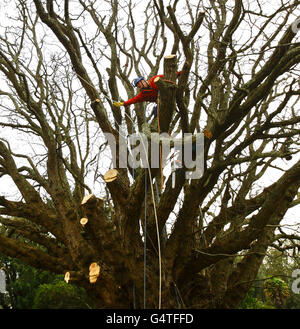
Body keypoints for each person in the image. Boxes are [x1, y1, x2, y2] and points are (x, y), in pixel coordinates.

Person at [113, 72, 181, 117]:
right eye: (138, 86)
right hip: (161, 102)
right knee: (156, 113)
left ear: (143, 81)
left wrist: (181, 73)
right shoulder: (143, 94)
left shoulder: (154, 79)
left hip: (170, 93)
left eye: (140, 84)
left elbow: (168, 76)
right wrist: (124, 103)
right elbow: (134, 100)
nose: (140, 86)